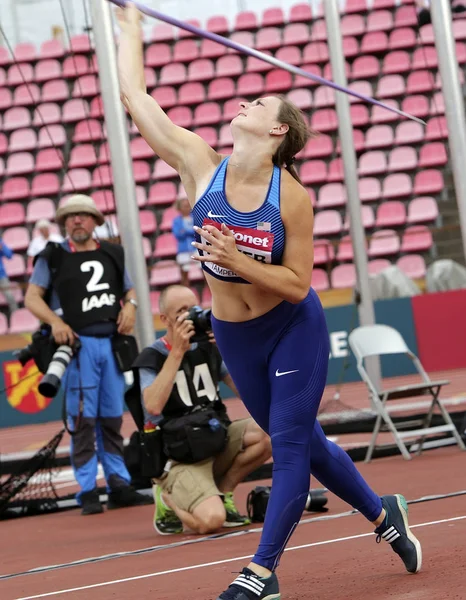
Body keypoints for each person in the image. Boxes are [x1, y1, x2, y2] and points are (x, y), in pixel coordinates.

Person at [117, 5, 422, 598]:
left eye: (259, 106)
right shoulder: (197, 163)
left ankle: (261, 571)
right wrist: (130, 29)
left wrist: (238, 262)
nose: (245, 105)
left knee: (286, 442)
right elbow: (136, 97)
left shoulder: (293, 198)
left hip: (290, 327)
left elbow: (298, 283)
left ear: (278, 130)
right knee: (304, 442)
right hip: (237, 337)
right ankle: (384, 515)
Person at [24, 194, 152, 516]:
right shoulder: (51, 256)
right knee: (83, 420)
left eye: (82, 215)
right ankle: (87, 489)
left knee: (111, 417)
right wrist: (54, 322)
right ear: (63, 223)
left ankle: (118, 483)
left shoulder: (113, 252)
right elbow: (32, 298)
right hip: (78, 347)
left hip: (110, 343)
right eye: (69, 217)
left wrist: (132, 307)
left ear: (95, 220)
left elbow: (130, 289)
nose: (76, 221)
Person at [132, 284, 272, 535]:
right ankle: (167, 498)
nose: (191, 316)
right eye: (182, 311)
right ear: (164, 319)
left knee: (269, 430)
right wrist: (177, 353)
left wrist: (227, 348)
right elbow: (152, 407)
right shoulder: (151, 357)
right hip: (179, 456)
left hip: (215, 438)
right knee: (212, 522)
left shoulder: (209, 348)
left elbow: (249, 392)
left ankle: (225, 492)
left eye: (194, 308)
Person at [172, 197, 196, 287]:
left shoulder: (194, 217)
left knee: (205, 272)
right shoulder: (176, 221)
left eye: (187, 206)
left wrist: (185, 231)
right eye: (184, 206)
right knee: (184, 275)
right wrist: (190, 231)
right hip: (183, 250)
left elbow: (197, 231)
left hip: (196, 248)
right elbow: (178, 234)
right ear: (179, 208)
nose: (187, 208)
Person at [0, 236, 18, 315]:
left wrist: (2, 247)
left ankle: (16, 316)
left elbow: (9, 255)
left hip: (1, 275)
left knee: (10, 296)